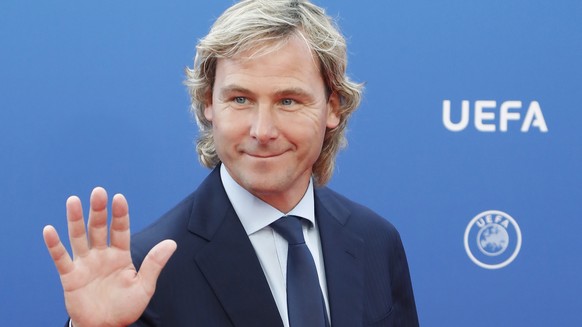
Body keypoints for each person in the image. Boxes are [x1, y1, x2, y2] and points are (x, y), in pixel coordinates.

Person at [43, 0, 419, 326]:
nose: (262, 130)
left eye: (288, 100)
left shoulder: (376, 241)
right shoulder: (146, 271)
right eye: (240, 99)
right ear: (209, 104)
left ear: (332, 107)